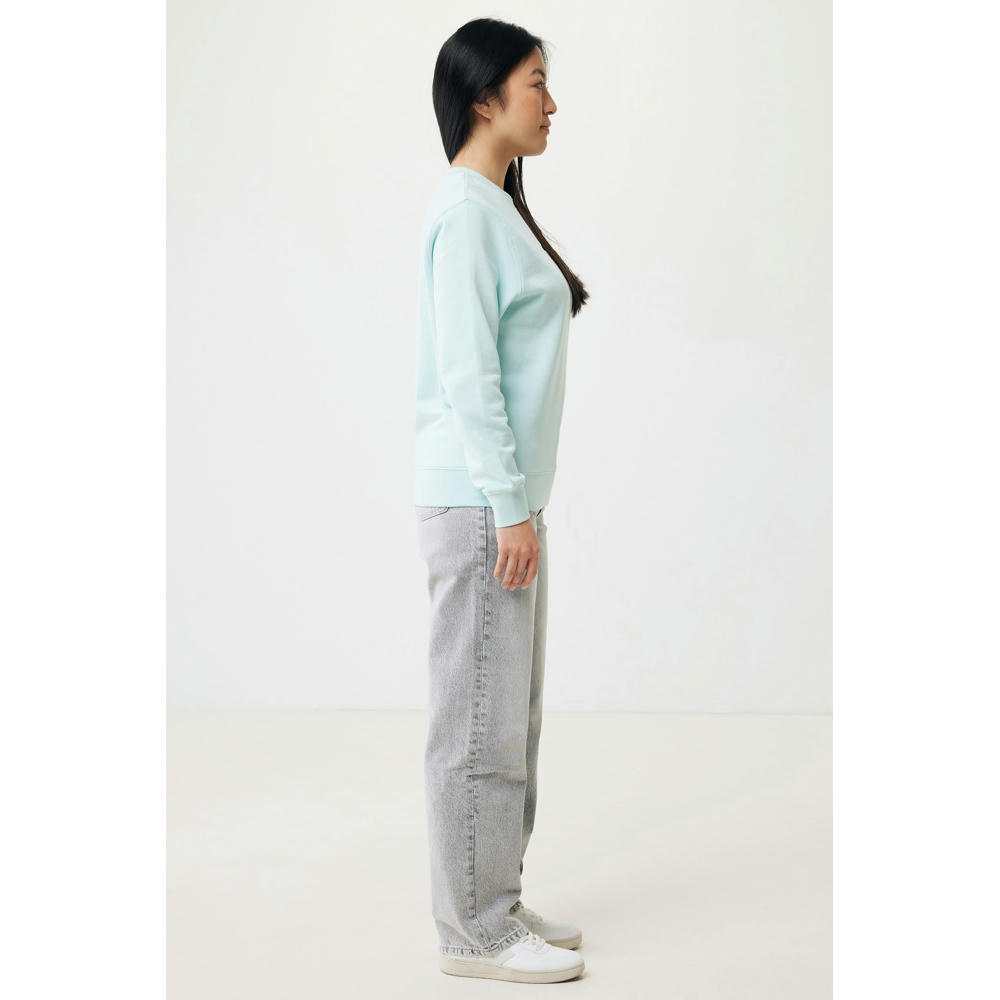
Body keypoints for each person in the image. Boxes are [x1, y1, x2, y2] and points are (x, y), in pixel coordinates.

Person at [413, 17, 590, 985]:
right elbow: (468, 375)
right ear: (484, 98)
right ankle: (474, 931)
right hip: (484, 503)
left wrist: (518, 505)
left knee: (507, 718)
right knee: (476, 722)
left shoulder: (494, 207)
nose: (551, 104)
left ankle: (497, 898)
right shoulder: (464, 213)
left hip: (503, 502)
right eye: (535, 83)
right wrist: (509, 507)